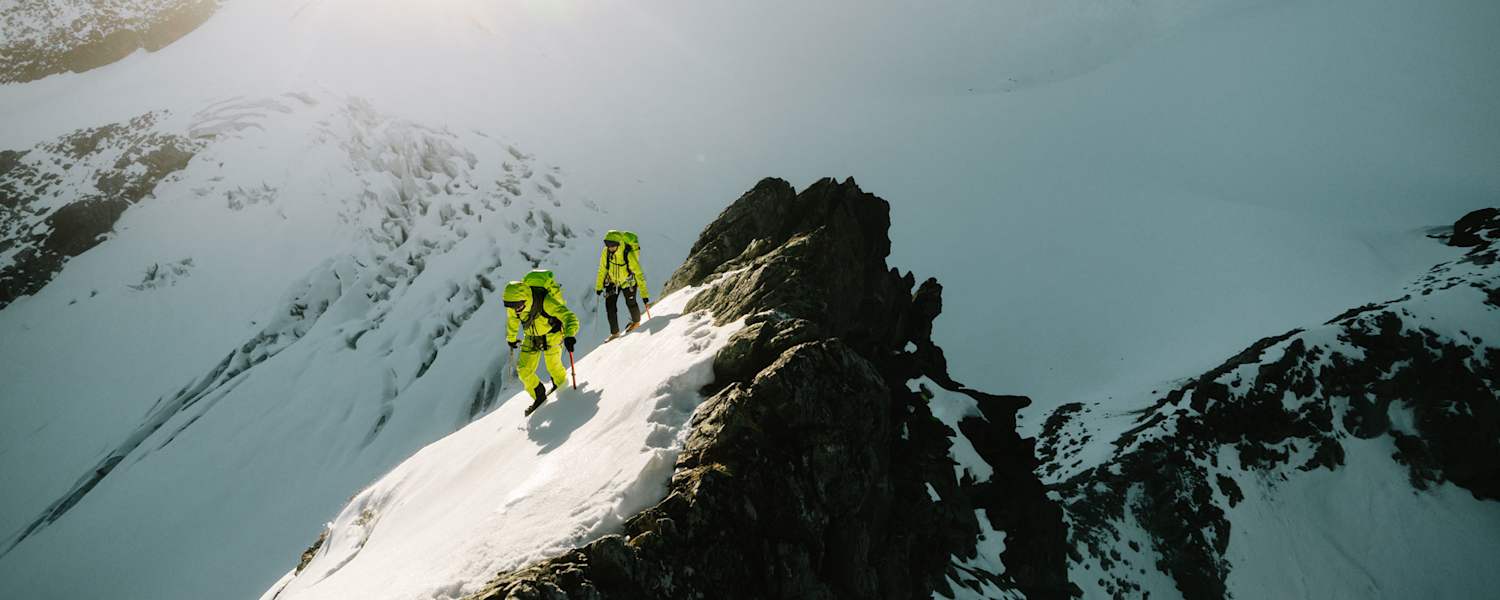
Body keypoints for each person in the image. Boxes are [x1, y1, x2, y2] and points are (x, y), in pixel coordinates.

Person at [503, 280, 579, 414]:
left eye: (517, 305)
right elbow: (513, 321)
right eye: (511, 306)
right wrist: (511, 338)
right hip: (531, 336)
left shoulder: (546, 301)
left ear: (525, 298)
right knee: (523, 370)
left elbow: (569, 317)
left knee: (553, 367)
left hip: (552, 335)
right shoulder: (516, 307)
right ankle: (539, 395)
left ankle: (563, 390)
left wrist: (569, 335)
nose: (515, 309)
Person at [594, 230, 649, 339]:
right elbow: (602, 269)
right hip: (612, 281)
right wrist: (599, 286)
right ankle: (615, 333)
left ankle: (636, 322)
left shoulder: (627, 253)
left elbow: (639, 274)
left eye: (612, 245)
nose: (610, 248)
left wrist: (644, 295)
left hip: (628, 281)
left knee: (631, 303)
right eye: (607, 245)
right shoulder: (606, 252)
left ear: (618, 244)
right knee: (610, 307)